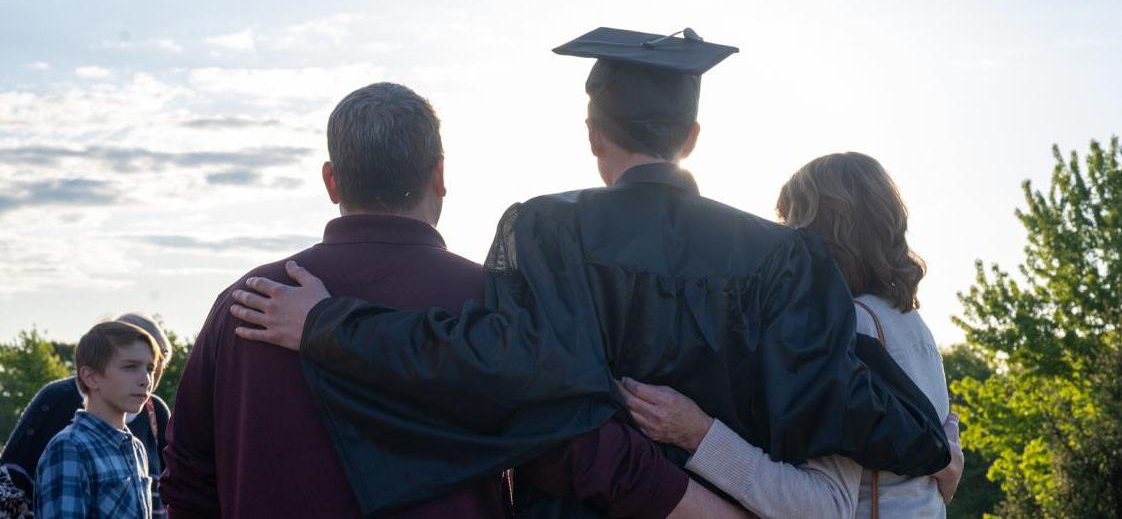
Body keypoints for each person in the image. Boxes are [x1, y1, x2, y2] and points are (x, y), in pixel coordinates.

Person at [230, 27, 952, 516]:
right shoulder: (785, 256)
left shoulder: (545, 228)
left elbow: (493, 364)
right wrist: (926, 435)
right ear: (693, 137)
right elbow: (835, 409)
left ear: (592, 135)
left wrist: (327, 324)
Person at [161, 82, 738, 519]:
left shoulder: (246, 304)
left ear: (332, 181)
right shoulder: (495, 303)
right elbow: (582, 450)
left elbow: (188, 475)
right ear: (440, 175)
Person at [620, 152, 964, 518]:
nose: (781, 237)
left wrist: (697, 433)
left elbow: (825, 507)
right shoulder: (912, 325)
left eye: (788, 221)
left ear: (817, 229)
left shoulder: (848, 325)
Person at [0, 314, 173, 519]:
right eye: (130, 366)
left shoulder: (137, 448)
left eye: (150, 368)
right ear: (90, 377)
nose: (146, 379)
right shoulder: (69, 448)